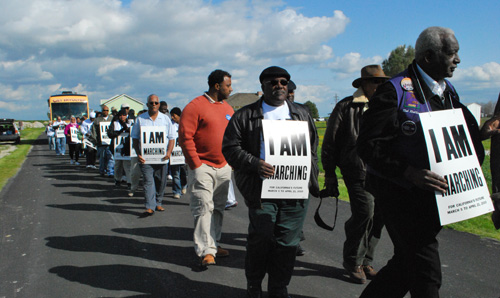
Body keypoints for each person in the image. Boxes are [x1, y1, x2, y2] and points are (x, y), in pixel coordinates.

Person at [357, 27, 484, 298]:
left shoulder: (447, 91)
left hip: (433, 199)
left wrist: (484, 134)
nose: (458, 60)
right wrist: (408, 172)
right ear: (428, 57)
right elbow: (368, 145)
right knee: (427, 273)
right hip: (400, 196)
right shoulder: (394, 91)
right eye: (452, 53)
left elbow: (461, 133)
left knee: (404, 266)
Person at [222, 66, 319, 298]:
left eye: (284, 82)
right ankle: (254, 284)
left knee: (288, 244)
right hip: (262, 189)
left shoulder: (301, 113)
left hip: (294, 190)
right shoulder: (245, 115)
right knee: (261, 240)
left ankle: (278, 287)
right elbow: (230, 148)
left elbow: (312, 148)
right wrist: (255, 163)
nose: (280, 86)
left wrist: (310, 178)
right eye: (274, 82)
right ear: (263, 87)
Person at [322, 65, 389, 284]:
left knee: (379, 217)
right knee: (365, 213)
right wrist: (330, 174)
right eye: (375, 82)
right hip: (357, 171)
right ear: (363, 84)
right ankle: (352, 261)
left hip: (385, 172)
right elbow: (330, 142)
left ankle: (366, 260)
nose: (379, 86)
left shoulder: (388, 105)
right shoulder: (346, 107)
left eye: (382, 82)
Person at [179, 69, 234, 267]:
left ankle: (214, 243)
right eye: (228, 85)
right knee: (203, 208)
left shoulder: (228, 108)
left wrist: (231, 163)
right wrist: (195, 163)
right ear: (217, 86)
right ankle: (206, 251)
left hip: (224, 166)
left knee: (218, 208)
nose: (231, 88)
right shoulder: (195, 106)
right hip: (202, 166)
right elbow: (185, 137)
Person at [131, 94, 175, 215]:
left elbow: (171, 138)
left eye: (156, 103)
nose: (154, 105)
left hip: (162, 158)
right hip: (146, 158)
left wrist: (169, 152)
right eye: (151, 103)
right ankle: (150, 206)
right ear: (147, 104)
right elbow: (135, 138)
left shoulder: (165, 119)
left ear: (159, 104)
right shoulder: (140, 119)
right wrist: (138, 153)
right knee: (148, 181)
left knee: (161, 182)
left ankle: (158, 202)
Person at [108, 109, 132, 187]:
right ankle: (117, 179)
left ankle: (129, 181)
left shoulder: (130, 123)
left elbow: (133, 133)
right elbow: (110, 134)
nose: (122, 117)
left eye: (124, 115)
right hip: (117, 147)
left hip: (127, 146)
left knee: (127, 165)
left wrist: (126, 128)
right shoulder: (115, 123)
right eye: (121, 115)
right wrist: (120, 131)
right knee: (118, 165)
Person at [90, 105, 114, 177]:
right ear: (102, 111)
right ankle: (102, 170)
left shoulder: (112, 119)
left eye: (107, 110)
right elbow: (93, 131)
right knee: (102, 158)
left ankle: (111, 172)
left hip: (110, 143)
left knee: (111, 157)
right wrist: (95, 140)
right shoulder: (97, 120)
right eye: (104, 110)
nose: (105, 112)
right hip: (101, 143)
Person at [169, 107, 187, 199]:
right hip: (174, 154)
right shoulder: (170, 125)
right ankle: (177, 191)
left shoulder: (185, 124)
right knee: (175, 173)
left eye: (174, 115)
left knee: (183, 172)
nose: (172, 117)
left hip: (183, 154)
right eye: (171, 115)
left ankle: (184, 185)